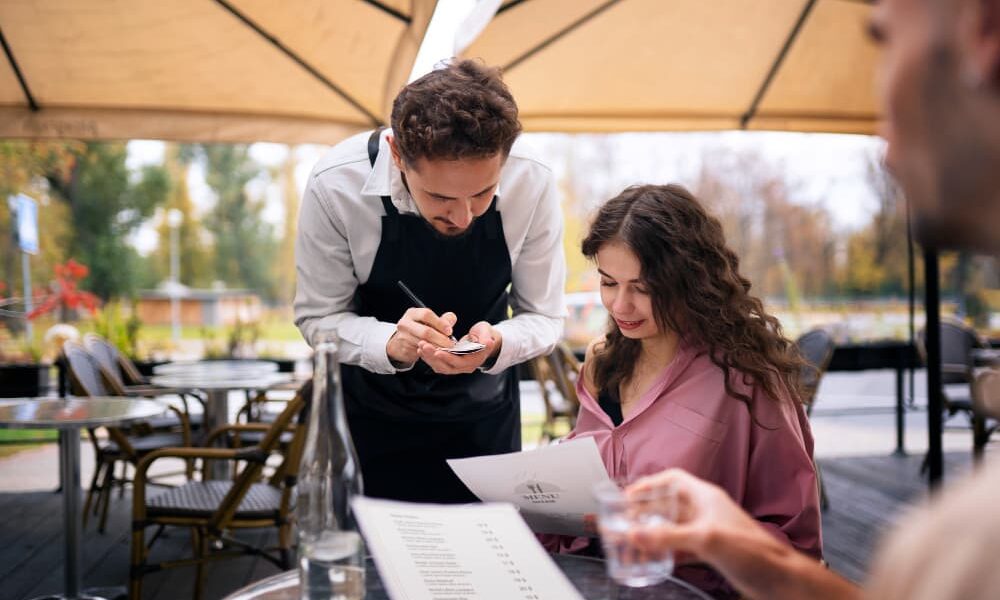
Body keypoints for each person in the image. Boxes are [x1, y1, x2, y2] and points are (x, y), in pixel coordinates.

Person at [619, 0, 1000, 598]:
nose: (882, 140)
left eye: (883, 43)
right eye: (609, 283)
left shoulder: (967, 543)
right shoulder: (963, 538)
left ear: (986, 31)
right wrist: (750, 555)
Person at [294, 59, 566, 503]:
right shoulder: (335, 184)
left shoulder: (532, 179)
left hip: (485, 421)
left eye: (483, 193)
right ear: (396, 154)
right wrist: (390, 342)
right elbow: (317, 318)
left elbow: (546, 316)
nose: (463, 217)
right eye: (440, 197)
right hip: (369, 424)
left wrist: (497, 342)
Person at [543, 184, 821, 597]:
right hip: (591, 582)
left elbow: (795, 542)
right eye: (608, 282)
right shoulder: (603, 364)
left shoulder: (747, 378)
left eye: (643, 288)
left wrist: (692, 542)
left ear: (689, 280)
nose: (620, 306)